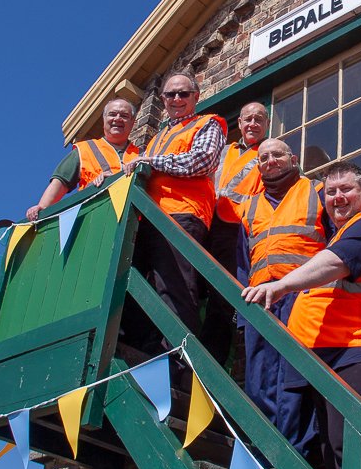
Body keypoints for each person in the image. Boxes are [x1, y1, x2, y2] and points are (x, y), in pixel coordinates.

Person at [242, 161, 361, 469]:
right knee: (334, 455)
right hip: (339, 359)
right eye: (331, 192)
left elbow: (333, 264)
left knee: (352, 450)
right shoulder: (339, 236)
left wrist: (279, 286)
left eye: (346, 189)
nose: (337, 197)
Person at [238, 138, 332, 457]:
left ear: (292, 158)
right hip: (260, 301)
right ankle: (265, 454)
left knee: (297, 375)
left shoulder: (318, 191)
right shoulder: (250, 207)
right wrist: (242, 311)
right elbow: (242, 262)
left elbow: (337, 245)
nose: (270, 161)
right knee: (258, 379)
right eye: (264, 157)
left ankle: (296, 456)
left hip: (304, 296)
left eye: (277, 155)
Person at [122, 72, 227, 339]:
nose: (177, 99)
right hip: (148, 218)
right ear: (163, 99)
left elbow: (202, 161)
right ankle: (143, 359)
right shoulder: (158, 138)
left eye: (183, 93)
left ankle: (178, 368)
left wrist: (151, 162)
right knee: (132, 289)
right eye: (170, 94)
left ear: (196, 97)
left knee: (175, 291)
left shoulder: (207, 123)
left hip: (182, 215)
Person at [200, 101, 269, 366]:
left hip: (236, 231)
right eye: (247, 119)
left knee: (222, 297)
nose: (252, 124)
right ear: (239, 123)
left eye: (259, 119)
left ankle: (213, 361)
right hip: (207, 225)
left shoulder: (267, 154)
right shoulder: (224, 151)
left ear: (266, 125)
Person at [26, 98, 139, 221]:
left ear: (132, 122)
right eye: (112, 114)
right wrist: (42, 208)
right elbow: (61, 182)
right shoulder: (85, 149)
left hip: (132, 222)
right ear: (104, 119)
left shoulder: (141, 154)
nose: (117, 118)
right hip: (92, 218)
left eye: (124, 115)